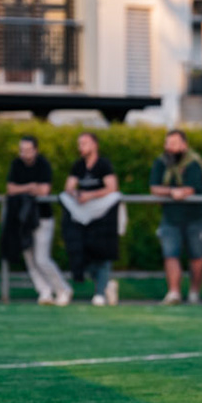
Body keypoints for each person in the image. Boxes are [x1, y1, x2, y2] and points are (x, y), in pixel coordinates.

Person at [5, 135, 70, 306]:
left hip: (42, 218)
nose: (25, 154)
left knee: (42, 258)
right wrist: (29, 187)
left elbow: (44, 190)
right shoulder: (16, 164)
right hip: (23, 219)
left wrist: (26, 189)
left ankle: (62, 289)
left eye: (28, 150)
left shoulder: (43, 164)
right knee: (30, 258)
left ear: (36, 150)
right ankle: (44, 291)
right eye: (22, 150)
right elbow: (11, 189)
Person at [150, 128, 202, 305]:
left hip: (195, 217)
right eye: (168, 143)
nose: (171, 147)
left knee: (196, 256)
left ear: (184, 145)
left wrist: (177, 192)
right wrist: (172, 192)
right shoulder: (161, 162)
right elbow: (154, 188)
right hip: (170, 217)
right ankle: (174, 292)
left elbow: (191, 188)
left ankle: (194, 293)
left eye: (175, 144)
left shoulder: (194, 162)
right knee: (170, 254)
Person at [63, 130, 120, 305]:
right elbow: (69, 187)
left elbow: (112, 187)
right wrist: (77, 194)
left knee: (102, 252)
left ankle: (100, 292)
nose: (81, 147)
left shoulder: (104, 164)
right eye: (79, 144)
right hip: (84, 215)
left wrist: (91, 196)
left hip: (103, 215)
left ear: (95, 145)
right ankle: (106, 284)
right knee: (81, 253)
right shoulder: (78, 165)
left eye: (85, 143)